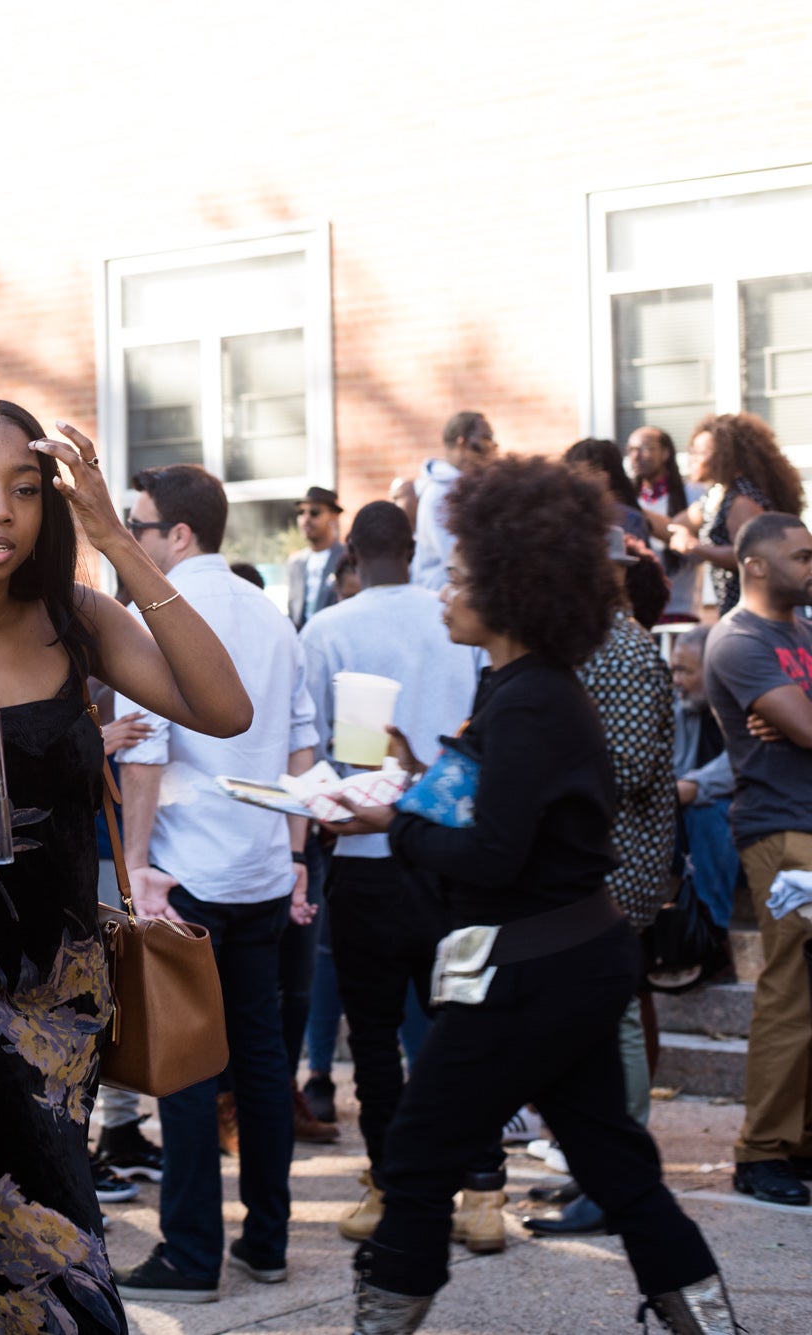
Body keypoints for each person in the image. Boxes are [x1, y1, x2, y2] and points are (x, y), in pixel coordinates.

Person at [0, 401, 246, 1328]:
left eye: (26, 490)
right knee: (59, 1253)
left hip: (69, 990)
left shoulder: (75, 620)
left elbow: (224, 706)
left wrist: (117, 539)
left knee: (6, 1258)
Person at [338, 457, 730, 1335]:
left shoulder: (531, 702)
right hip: (570, 959)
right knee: (619, 1166)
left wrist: (396, 819)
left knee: (417, 1152)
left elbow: (488, 853)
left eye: (462, 579)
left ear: (512, 593)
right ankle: (711, 1322)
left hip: (532, 971)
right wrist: (410, 777)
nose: (443, 591)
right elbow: (493, 808)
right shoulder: (520, 691)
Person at [104, 463, 313, 1304]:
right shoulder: (273, 613)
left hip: (185, 869)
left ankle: (192, 1253)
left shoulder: (148, 616)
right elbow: (303, 743)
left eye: (140, 527)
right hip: (262, 866)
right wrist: (296, 853)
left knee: (187, 1065)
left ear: (177, 535)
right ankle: (266, 1239)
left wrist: (136, 865)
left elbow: (147, 750)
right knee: (262, 1063)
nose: (131, 541)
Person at [299, 500, 484, 1245]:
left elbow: (309, 743)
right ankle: (482, 1192)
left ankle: (390, 1182)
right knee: (459, 1027)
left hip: (368, 852)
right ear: (414, 549)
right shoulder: (455, 620)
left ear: (350, 551)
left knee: (373, 1034)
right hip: (452, 852)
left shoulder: (327, 629)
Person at [524, 527, 679, 1236]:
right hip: (603, 859)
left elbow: (631, 769)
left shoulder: (618, 646)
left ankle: (619, 1182)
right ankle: (600, 1172)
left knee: (611, 1019)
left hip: (614, 862)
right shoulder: (605, 642)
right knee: (592, 1022)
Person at [702, 511, 812, 1209]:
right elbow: (806, 728)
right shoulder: (738, 640)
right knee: (789, 990)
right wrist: (799, 716)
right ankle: (764, 1149)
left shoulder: (803, 632)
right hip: (782, 834)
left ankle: (799, 1139)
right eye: (802, 556)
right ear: (756, 565)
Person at [670, 412, 805, 615]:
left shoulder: (741, 499)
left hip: (758, 612)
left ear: (725, 455)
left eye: (700, 453)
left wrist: (694, 547)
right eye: (692, 451)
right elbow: (679, 522)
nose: (692, 459)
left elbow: (747, 554)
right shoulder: (718, 492)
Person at [670, 626, 737, 930]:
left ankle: (712, 928)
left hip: (739, 825)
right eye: (674, 670)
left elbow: (744, 760)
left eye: (685, 671)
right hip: (688, 832)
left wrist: (695, 786)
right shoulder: (681, 709)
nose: (676, 681)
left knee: (708, 810)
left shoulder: (743, 707)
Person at [394, 411, 495, 591]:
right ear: (462, 442)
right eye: (486, 437)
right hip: (439, 601)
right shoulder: (439, 493)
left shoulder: (470, 487)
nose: (494, 445)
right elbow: (458, 558)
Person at [628, 425, 705, 621]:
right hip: (639, 614)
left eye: (644, 448)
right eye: (631, 450)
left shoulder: (694, 494)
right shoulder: (633, 498)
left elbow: (699, 550)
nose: (636, 456)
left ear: (665, 453)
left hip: (681, 610)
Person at [286, 485, 344, 628]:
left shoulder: (346, 558)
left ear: (333, 516)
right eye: (301, 512)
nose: (306, 518)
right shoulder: (295, 562)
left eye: (314, 512)